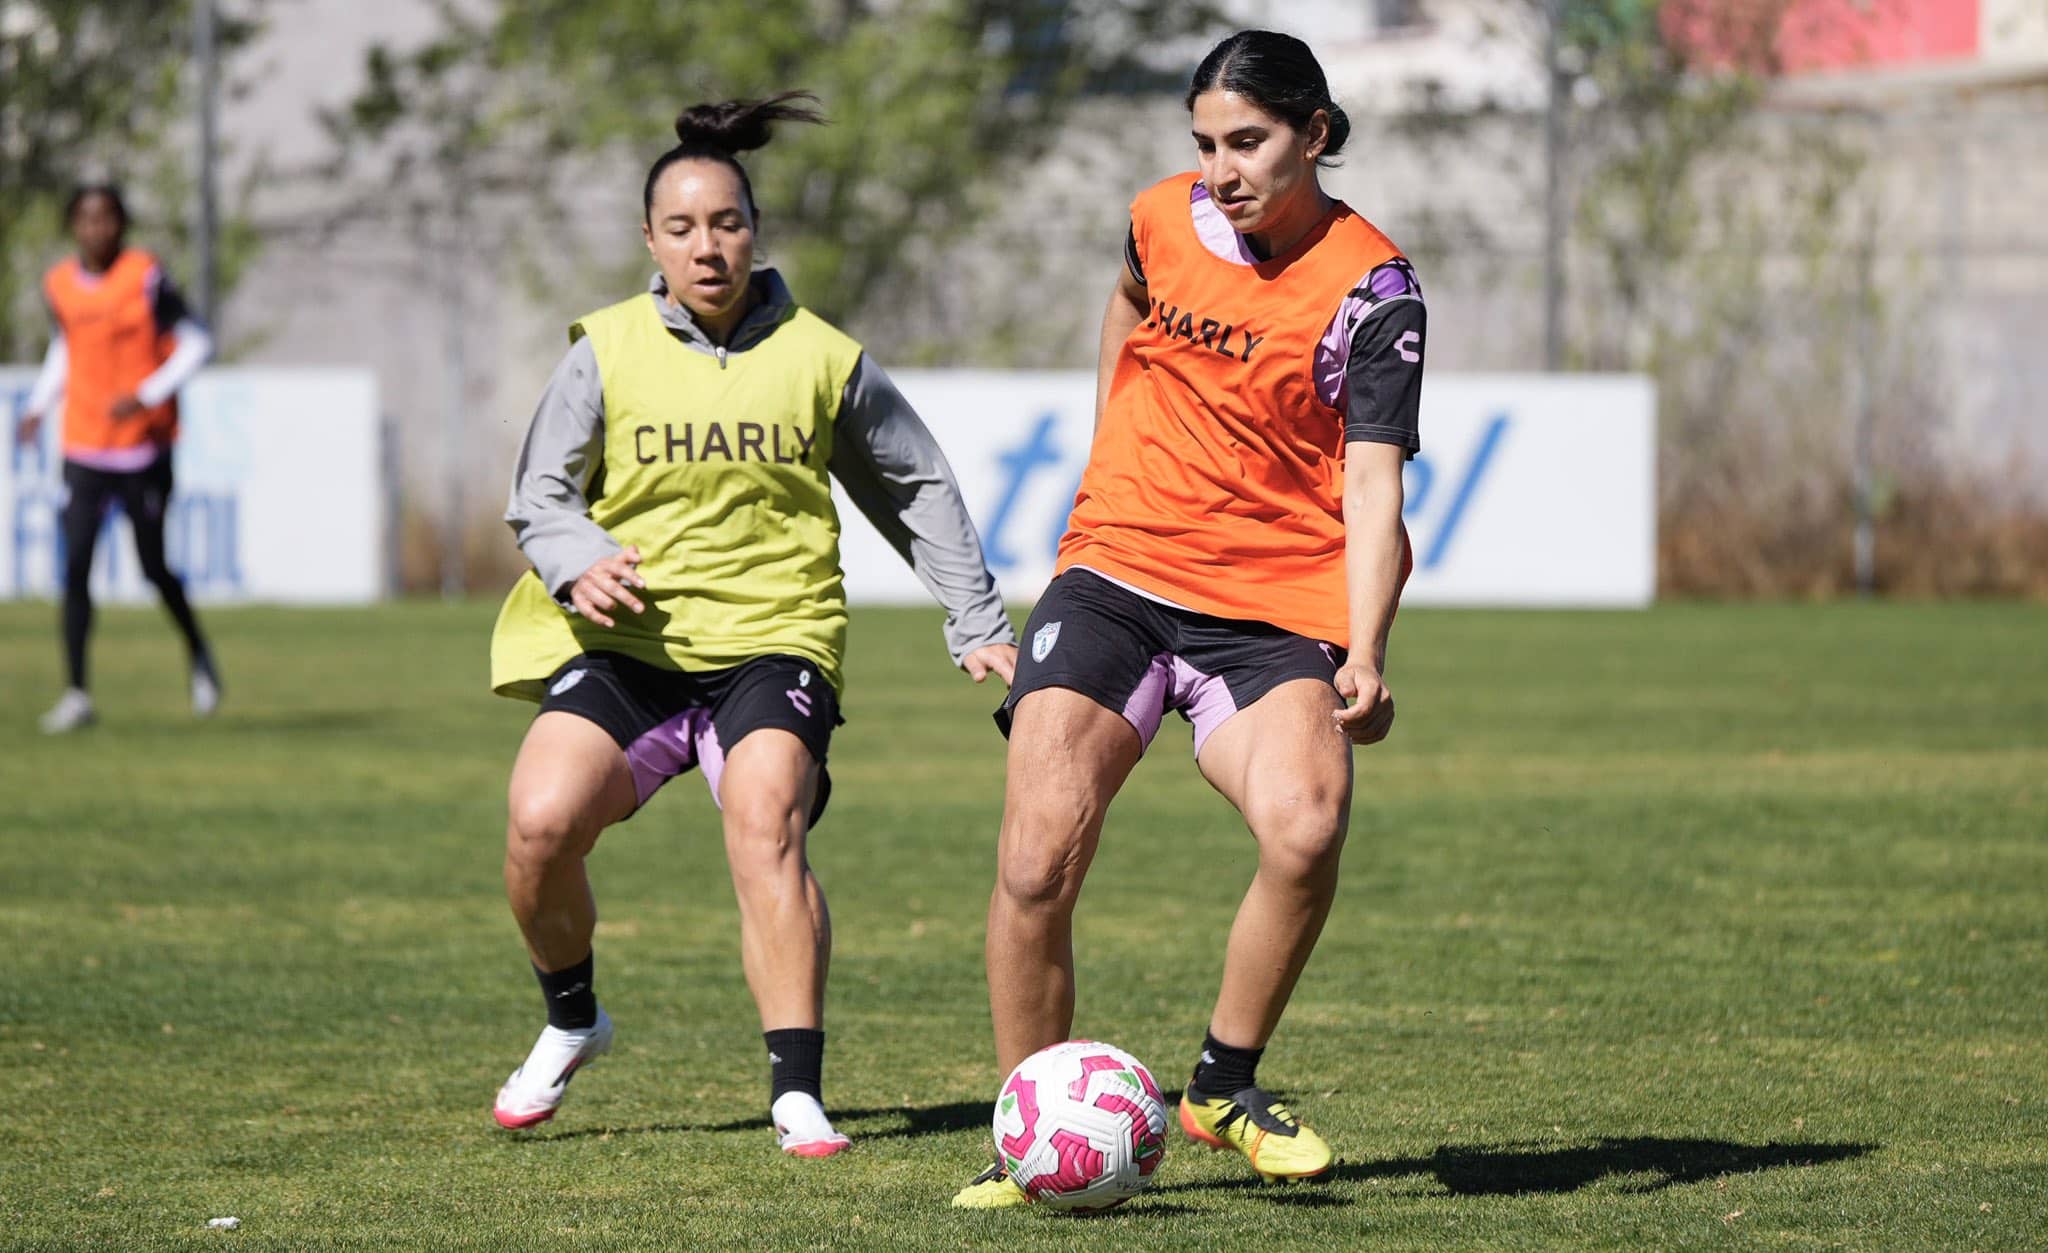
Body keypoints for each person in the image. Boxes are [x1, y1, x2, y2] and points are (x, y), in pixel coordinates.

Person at [487, 93, 1018, 1156]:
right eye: (680, 227)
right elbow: (539, 494)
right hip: (631, 650)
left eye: (724, 222)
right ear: (650, 241)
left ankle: (795, 1087)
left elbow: (914, 485)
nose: (706, 245)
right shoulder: (605, 347)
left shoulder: (823, 355)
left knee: (764, 815)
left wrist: (975, 617)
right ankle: (572, 1015)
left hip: (775, 641)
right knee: (539, 826)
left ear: (753, 228)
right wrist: (577, 556)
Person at [954, 30, 1427, 1206]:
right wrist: (1117, 447)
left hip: (1270, 602)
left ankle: (1219, 1082)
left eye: (1248, 142)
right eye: (1204, 142)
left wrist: (1365, 646)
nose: (1219, 168)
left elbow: (1371, 486)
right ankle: (1030, 1136)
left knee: (1306, 826)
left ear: (1313, 134)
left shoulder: (1375, 290)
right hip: (1117, 569)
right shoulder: (1158, 217)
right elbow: (1125, 309)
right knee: (1031, 862)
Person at [17, 183, 220, 733]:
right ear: (73, 226)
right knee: (76, 566)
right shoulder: (59, 284)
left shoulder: (145, 277)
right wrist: (39, 404)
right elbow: (67, 347)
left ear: (121, 224)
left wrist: (148, 394)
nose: (96, 229)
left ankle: (199, 654)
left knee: (153, 567)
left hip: (142, 449)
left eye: (106, 219)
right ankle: (77, 693)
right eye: (85, 219)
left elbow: (198, 343)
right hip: (84, 444)